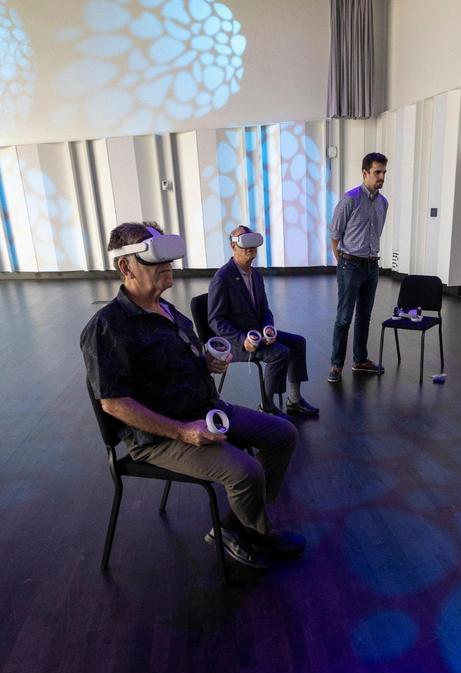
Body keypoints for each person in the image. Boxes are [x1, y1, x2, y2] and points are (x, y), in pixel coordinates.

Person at [80, 222, 305, 571]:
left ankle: (231, 526)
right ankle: (258, 531)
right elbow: (113, 402)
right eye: (155, 259)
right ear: (126, 267)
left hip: (207, 409)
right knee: (246, 473)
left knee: (282, 435)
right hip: (161, 435)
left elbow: (178, 358)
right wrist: (182, 432)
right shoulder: (108, 326)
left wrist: (206, 361)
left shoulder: (168, 310)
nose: (168, 265)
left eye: (168, 257)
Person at [207, 225, 319, 417]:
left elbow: (264, 309)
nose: (250, 247)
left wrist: (268, 328)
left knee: (298, 342)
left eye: (252, 242)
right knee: (280, 353)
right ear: (233, 247)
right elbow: (215, 320)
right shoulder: (222, 278)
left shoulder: (255, 275)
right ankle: (266, 407)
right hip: (237, 342)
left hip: (258, 334)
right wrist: (243, 340)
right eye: (244, 242)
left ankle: (294, 400)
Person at [327, 152, 389, 383]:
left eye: (383, 172)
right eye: (377, 172)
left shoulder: (384, 203)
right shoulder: (350, 199)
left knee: (364, 316)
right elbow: (335, 235)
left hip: (372, 266)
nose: (381, 176)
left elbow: (377, 232)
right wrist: (342, 262)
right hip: (350, 265)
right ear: (365, 173)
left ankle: (360, 360)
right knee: (344, 318)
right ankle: (336, 365)